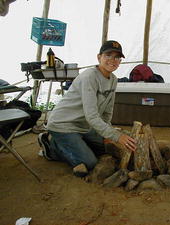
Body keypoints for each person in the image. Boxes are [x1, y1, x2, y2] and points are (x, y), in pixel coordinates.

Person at [38, 40, 136, 177]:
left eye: (117, 57)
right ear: (99, 57)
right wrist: (117, 136)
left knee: (106, 148)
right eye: (108, 55)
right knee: (89, 163)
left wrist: (107, 135)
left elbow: (108, 111)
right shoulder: (89, 76)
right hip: (63, 124)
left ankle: (73, 143)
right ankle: (50, 146)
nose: (113, 60)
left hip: (83, 126)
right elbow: (92, 116)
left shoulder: (113, 79)